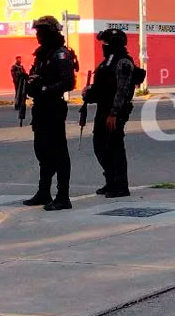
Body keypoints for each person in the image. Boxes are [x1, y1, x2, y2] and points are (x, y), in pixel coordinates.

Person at [24, 15, 78, 211]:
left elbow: (68, 82)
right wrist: (30, 83)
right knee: (42, 150)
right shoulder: (41, 55)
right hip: (40, 108)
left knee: (59, 153)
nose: (38, 35)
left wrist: (45, 88)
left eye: (41, 32)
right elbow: (34, 78)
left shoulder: (60, 54)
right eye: (37, 31)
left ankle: (63, 196)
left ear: (51, 33)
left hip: (53, 107)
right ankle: (43, 192)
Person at [84, 28, 138, 198]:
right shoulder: (106, 62)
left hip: (115, 112)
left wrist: (114, 113)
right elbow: (102, 86)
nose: (103, 46)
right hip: (103, 109)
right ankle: (110, 181)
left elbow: (122, 90)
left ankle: (121, 185)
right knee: (100, 146)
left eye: (106, 43)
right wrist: (89, 92)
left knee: (114, 148)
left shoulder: (123, 62)